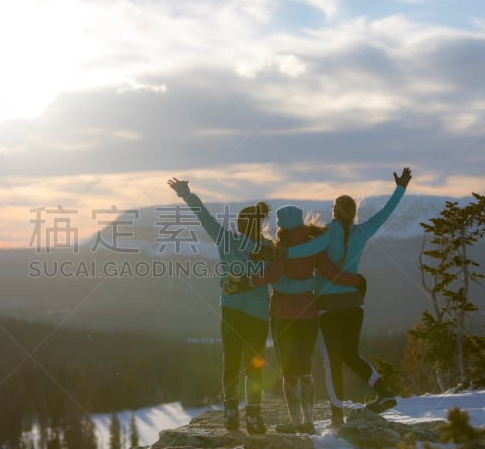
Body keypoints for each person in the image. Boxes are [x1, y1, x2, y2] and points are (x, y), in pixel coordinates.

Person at [254, 168, 412, 427]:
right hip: (354, 304)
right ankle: (384, 392)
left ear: (335, 210)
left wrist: (278, 254)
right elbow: (385, 213)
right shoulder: (362, 232)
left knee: (332, 362)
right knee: (352, 354)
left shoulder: (327, 235)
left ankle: (336, 414)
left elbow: (306, 250)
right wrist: (400, 189)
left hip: (328, 306)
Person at [226, 205, 365, 434]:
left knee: (289, 370)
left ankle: (295, 421)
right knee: (304, 367)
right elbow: (331, 274)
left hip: (283, 315)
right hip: (308, 314)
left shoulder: (282, 249)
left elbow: (270, 277)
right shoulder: (315, 248)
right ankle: (308, 421)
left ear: (281, 225)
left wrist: (245, 283)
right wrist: (356, 281)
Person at [167, 177, 271, 434]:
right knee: (254, 365)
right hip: (258, 315)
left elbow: (204, 217)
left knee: (231, 364)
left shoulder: (227, 240)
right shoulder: (269, 248)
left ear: (241, 225)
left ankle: (231, 412)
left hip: (232, 311)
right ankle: (255, 416)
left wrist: (186, 193)